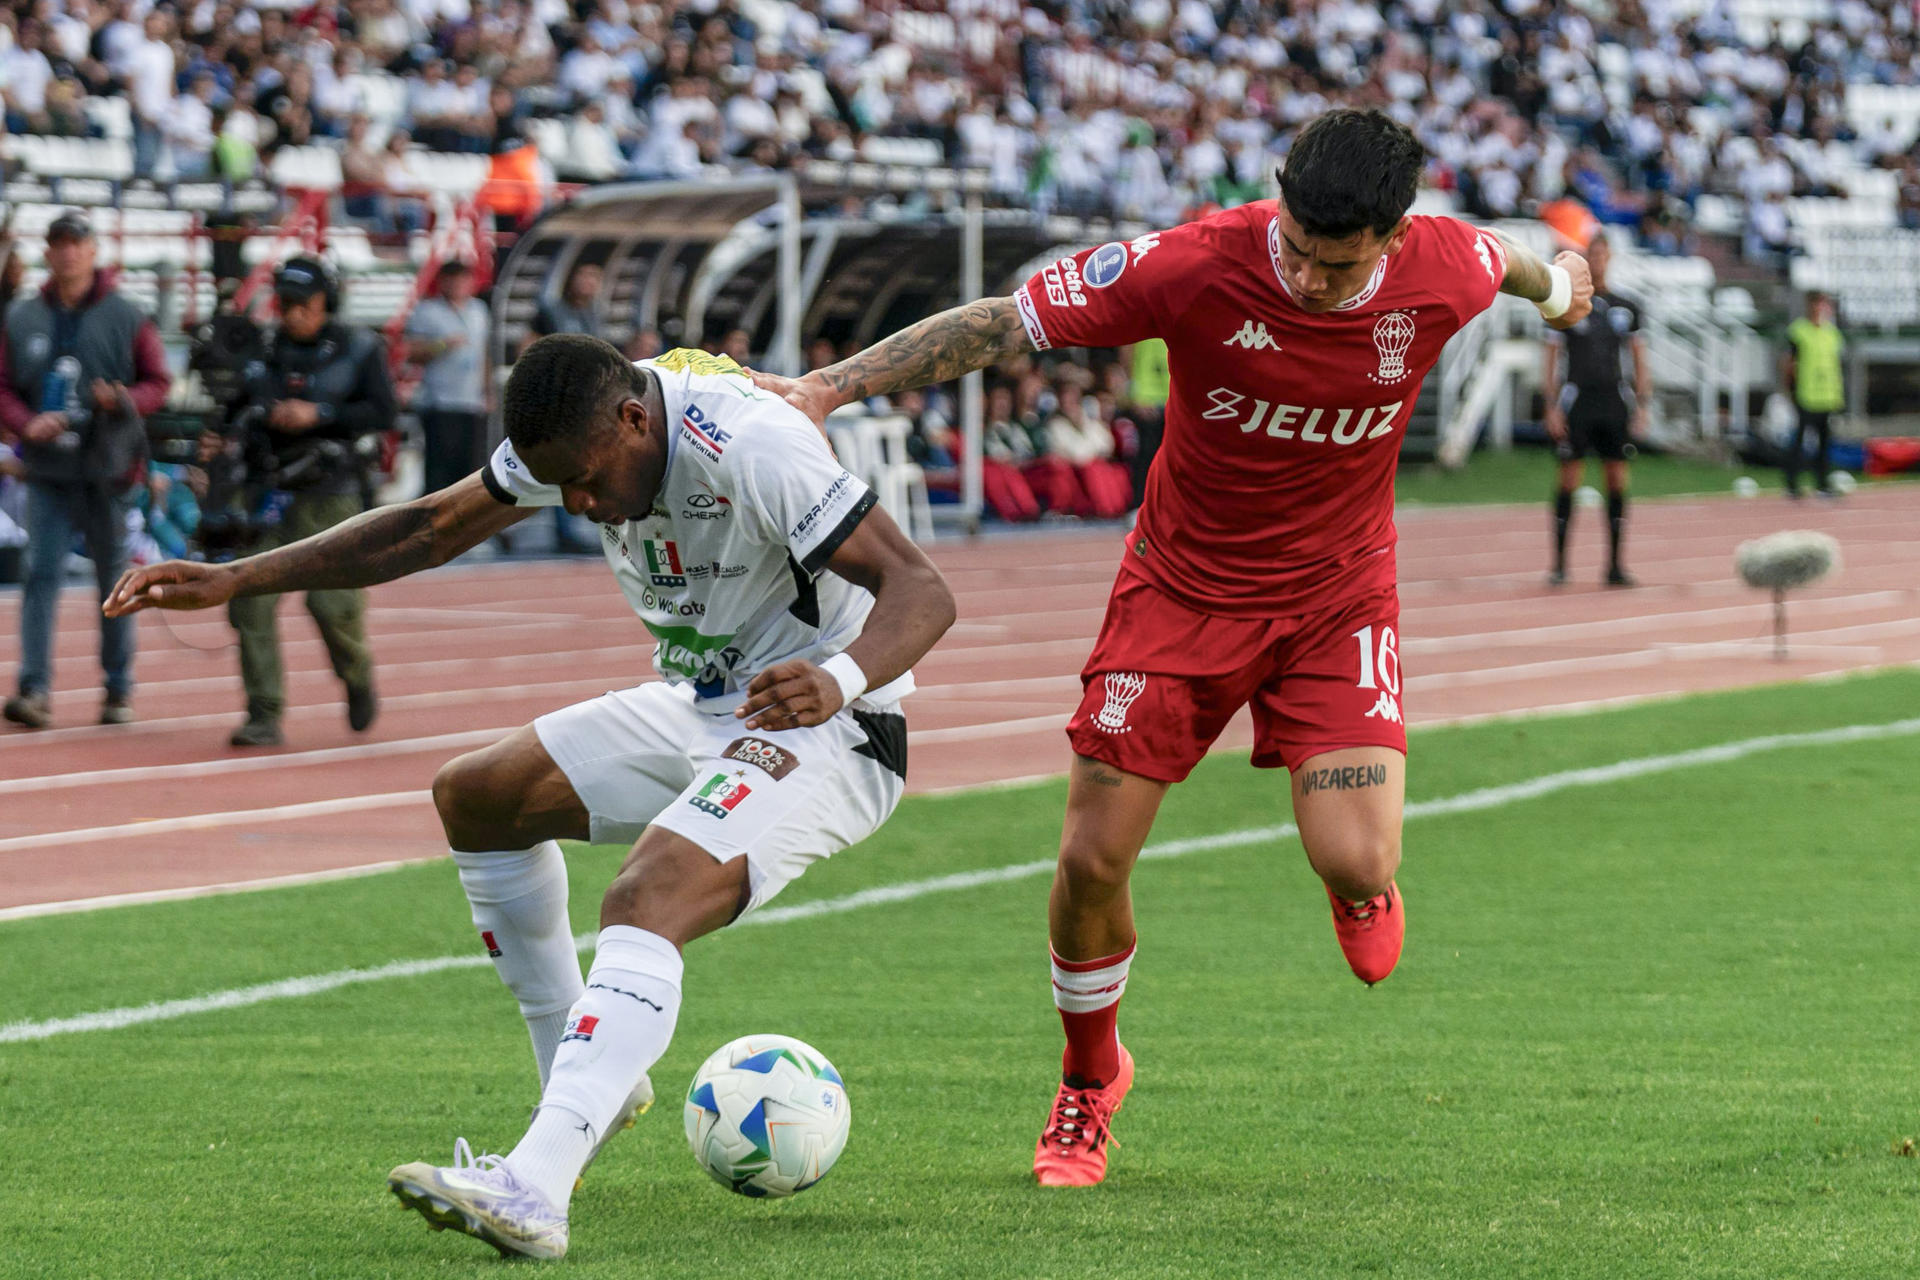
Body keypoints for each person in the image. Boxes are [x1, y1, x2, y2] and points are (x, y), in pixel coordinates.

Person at [755, 108, 1593, 1187]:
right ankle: (1090, 1077)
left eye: (1336, 264)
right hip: (1179, 599)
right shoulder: (1194, 262)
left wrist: (1571, 281)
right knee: (1090, 859)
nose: (1307, 275)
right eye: (1293, 244)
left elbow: (1528, 268)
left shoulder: (1448, 265)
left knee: (1357, 854)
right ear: (1277, 196)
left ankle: (1357, 883)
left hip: (1339, 601)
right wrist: (829, 387)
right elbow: (1007, 322)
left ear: (1392, 238)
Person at [105, 336, 956, 1260]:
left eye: (587, 483)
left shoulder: (754, 446)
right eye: (564, 488)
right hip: (711, 704)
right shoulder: (577, 435)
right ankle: (586, 1077)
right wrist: (241, 577)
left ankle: (536, 1188)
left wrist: (837, 677)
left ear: (635, 420)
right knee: (479, 795)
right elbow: (429, 527)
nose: (580, 505)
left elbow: (922, 589)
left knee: (645, 897)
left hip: (829, 726)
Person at [0, 209, 170, 728]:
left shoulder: (127, 315)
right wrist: (27, 424)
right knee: (40, 574)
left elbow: (159, 382)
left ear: (94, 250)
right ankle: (35, 688)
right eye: (58, 242)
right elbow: (2, 386)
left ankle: (118, 690)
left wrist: (121, 398)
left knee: (114, 581)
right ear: (47, 252)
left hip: (108, 470)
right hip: (48, 470)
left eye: (77, 242)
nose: (68, 251)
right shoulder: (21, 317)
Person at [224, 256, 395, 747]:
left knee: (331, 605)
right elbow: (232, 407)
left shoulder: (360, 348)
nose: (294, 312)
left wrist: (318, 413)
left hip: (331, 492)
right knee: (249, 598)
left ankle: (356, 673)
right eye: (286, 302)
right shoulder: (261, 348)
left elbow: (383, 411)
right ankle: (264, 711)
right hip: (265, 490)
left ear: (328, 302)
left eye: (305, 303)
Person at [1542, 231, 1648, 587]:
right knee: (1568, 479)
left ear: (1610, 258)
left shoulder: (1627, 306)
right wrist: (1551, 406)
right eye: (1593, 255)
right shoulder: (1568, 305)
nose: (1599, 261)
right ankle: (1559, 565)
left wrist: (1643, 404)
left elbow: (1638, 358)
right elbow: (1551, 357)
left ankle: (1615, 565)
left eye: (1604, 255)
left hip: (1614, 401)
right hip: (1577, 401)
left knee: (1617, 479)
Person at [523, 261, 606, 553]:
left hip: (583, 403)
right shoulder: (550, 312)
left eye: (595, 278)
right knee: (558, 464)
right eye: (585, 276)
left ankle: (577, 527)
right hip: (555, 401)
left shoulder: (592, 316)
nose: (589, 284)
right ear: (571, 279)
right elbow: (528, 348)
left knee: (579, 465)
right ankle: (563, 529)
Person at [406, 260, 491, 497]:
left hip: (471, 402)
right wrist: (442, 345)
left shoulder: (479, 311)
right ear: (442, 282)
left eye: (463, 279)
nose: (457, 285)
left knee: (470, 470)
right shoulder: (427, 311)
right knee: (439, 471)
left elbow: (483, 353)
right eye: (452, 279)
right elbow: (411, 352)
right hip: (440, 401)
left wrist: (487, 391)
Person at [1782, 292, 1845, 499]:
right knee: (1800, 440)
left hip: (1827, 395)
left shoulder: (1832, 333)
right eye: (1819, 304)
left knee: (1825, 442)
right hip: (1806, 393)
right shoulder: (1799, 331)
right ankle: (1792, 482)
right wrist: (1789, 389)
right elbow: (1789, 362)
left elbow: (1835, 364)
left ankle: (1822, 483)